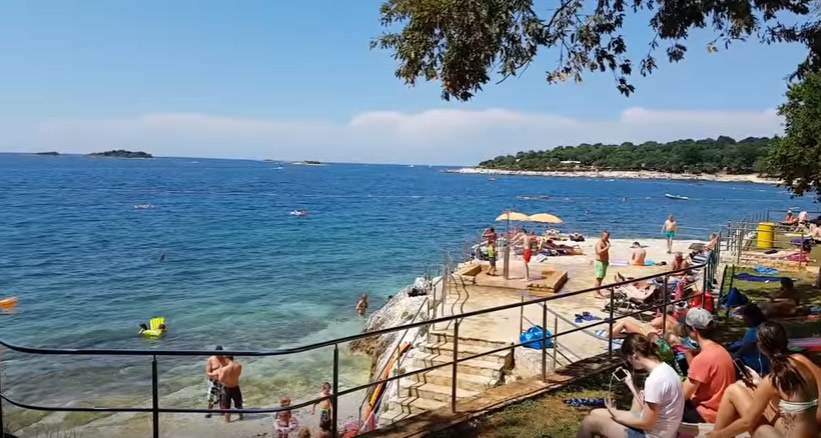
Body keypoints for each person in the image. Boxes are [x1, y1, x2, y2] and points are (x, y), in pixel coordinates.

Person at [708, 321, 821, 438]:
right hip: (811, 428)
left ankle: (715, 435)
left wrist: (718, 435)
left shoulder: (771, 380)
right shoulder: (800, 360)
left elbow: (747, 422)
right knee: (745, 388)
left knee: (733, 390)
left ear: (761, 347)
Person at [577, 333, 684, 438]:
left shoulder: (655, 380)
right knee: (596, 413)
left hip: (652, 434)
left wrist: (615, 415)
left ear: (634, 355)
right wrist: (630, 383)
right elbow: (647, 405)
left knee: (589, 422)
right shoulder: (666, 369)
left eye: (628, 359)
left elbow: (647, 423)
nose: (629, 362)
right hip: (660, 428)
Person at [681, 308, 735, 424]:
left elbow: (683, 395)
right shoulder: (721, 350)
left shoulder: (702, 358)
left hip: (708, 414)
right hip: (724, 410)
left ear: (693, 330)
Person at [728, 304, 770, 375]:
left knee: (727, 356)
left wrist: (730, 354)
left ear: (750, 318)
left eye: (745, 318)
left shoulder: (753, 333)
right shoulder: (766, 326)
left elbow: (741, 351)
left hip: (758, 365)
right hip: (767, 361)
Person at [217, 355, 243, 423]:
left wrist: (220, 370)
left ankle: (227, 420)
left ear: (227, 359)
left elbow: (220, 380)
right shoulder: (239, 366)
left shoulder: (224, 369)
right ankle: (241, 417)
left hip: (227, 388)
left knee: (226, 406)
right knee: (239, 404)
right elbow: (238, 375)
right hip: (236, 387)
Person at [205, 345, 229, 418]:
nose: (219, 355)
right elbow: (208, 372)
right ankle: (209, 412)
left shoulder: (225, 359)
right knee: (211, 397)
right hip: (213, 381)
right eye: (217, 354)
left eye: (220, 354)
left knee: (223, 397)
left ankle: (222, 411)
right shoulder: (211, 359)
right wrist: (215, 375)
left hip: (223, 381)